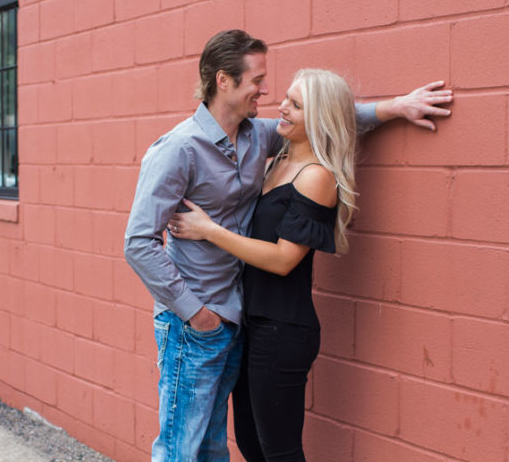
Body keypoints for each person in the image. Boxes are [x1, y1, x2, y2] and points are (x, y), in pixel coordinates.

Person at [124, 30, 452, 462]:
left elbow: (332, 114)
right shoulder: (179, 149)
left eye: (276, 88)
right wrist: (196, 313)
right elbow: (137, 244)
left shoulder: (257, 137)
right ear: (224, 81)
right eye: (256, 80)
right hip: (197, 321)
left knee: (214, 446)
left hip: (238, 319)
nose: (267, 91)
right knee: (181, 448)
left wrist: (395, 108)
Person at [169, 68, 360, 460]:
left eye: (295, 104)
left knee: (280, 451)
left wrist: (209, 230)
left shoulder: (316, 177)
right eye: (286, 99)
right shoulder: (280, 162)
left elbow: (282, 260)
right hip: (253, 323)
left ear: (320, 117)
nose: (282, 109)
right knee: (252, 443)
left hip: (283, 330)